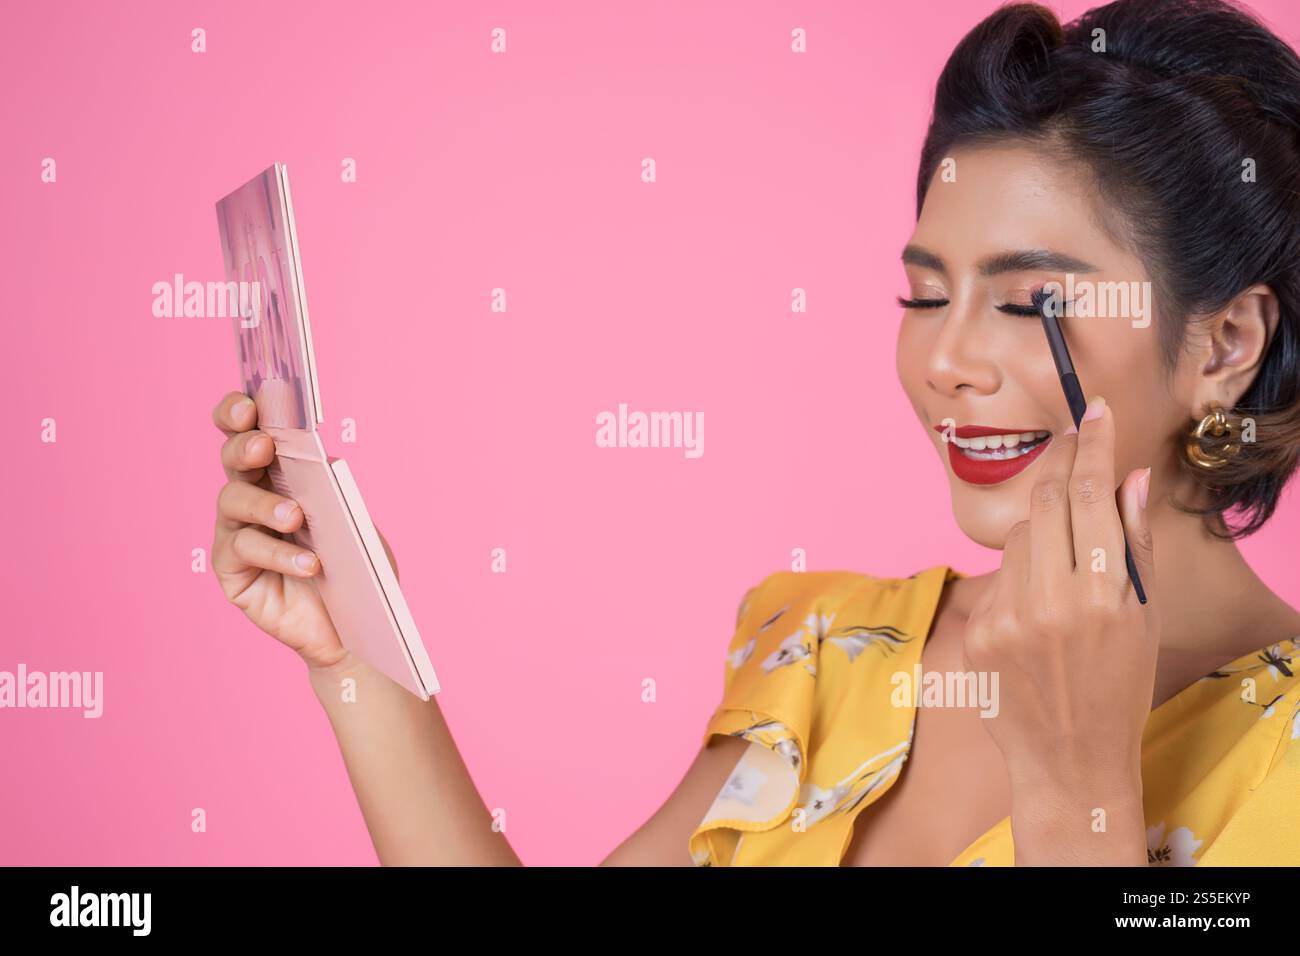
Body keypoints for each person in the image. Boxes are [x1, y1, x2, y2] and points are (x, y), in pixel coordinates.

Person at [208, 0, 1300, 865]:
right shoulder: (829, 648)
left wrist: (1078, 792)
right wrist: (351, 649)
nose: (947, 360)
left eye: (1027, 301)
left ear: (1223, 343)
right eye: (924, 297)